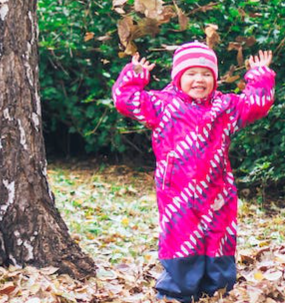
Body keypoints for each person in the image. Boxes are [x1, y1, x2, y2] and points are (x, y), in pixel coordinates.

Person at [112, 42, 275, 302]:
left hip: (218, 192)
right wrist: (134, 74)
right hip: (177, 192)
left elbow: (256, 104)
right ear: (178, 77)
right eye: (191, 73)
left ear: (215, 78)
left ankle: (218, 290)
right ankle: (177, 292)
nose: (199, 79)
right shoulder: (162, 105)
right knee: (180, 239)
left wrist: (260, 75)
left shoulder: (225, 107)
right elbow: (125, 99)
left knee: (219, 238)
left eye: (206, 73)